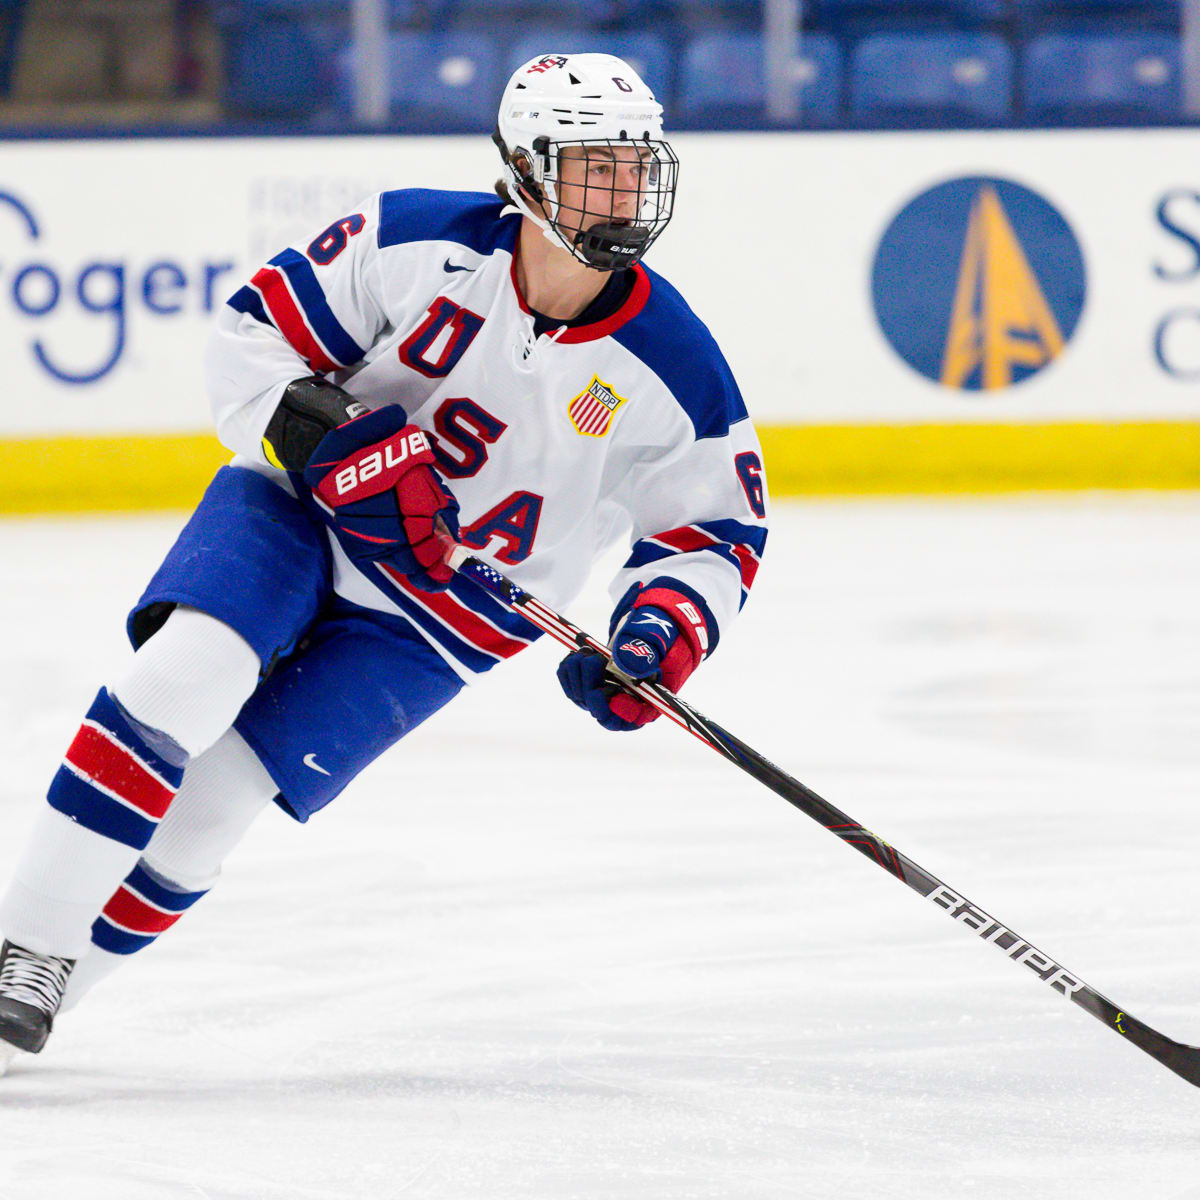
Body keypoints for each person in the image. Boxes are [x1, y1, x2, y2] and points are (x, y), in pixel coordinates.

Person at [0, 52, 769, 1070]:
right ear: (530, 172)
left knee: (214, 811)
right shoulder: (413, 240)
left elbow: (714, 533)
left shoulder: (676, 366)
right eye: (595, 166)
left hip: (441, 621)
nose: (622, 191)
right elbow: (251, 340)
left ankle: (30, 1019)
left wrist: (657, 629)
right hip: (301, 517)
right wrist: (331, 439)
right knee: (183, 675)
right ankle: (29, 947)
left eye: (634, 167)